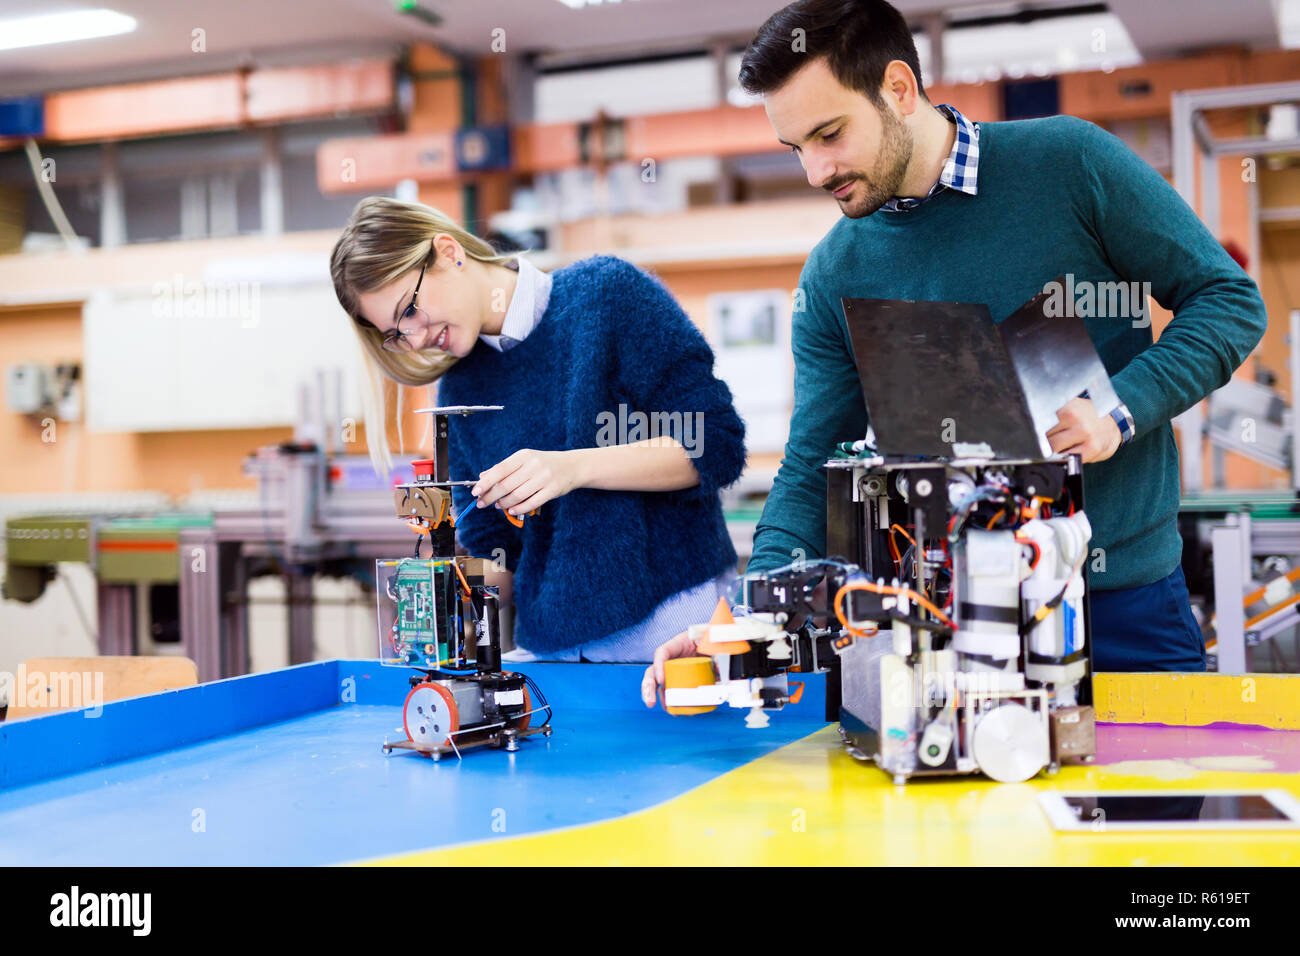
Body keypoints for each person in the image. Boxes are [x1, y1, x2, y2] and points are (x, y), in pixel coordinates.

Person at [642, 0, 1267, 704]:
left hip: (1120, 605)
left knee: (1157, 806)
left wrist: (1118, 411)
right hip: (952, 633)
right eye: (797, 149)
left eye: (829, 134)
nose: (816, 171)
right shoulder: (833, 275)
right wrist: (749, 617)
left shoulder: (1068, 164)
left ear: (899, 90)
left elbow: (1228, 300)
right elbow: (813, 462)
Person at [330, 197, 746, 662]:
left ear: (448, 252)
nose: (417, 337)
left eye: (409, 310)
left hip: (675, 632)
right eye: (396, 333)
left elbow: (715, 444)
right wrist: (446, 586)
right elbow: (504, 557)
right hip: (559, 661)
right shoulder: (460, 392)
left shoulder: (609, 297)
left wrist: (571, 468)